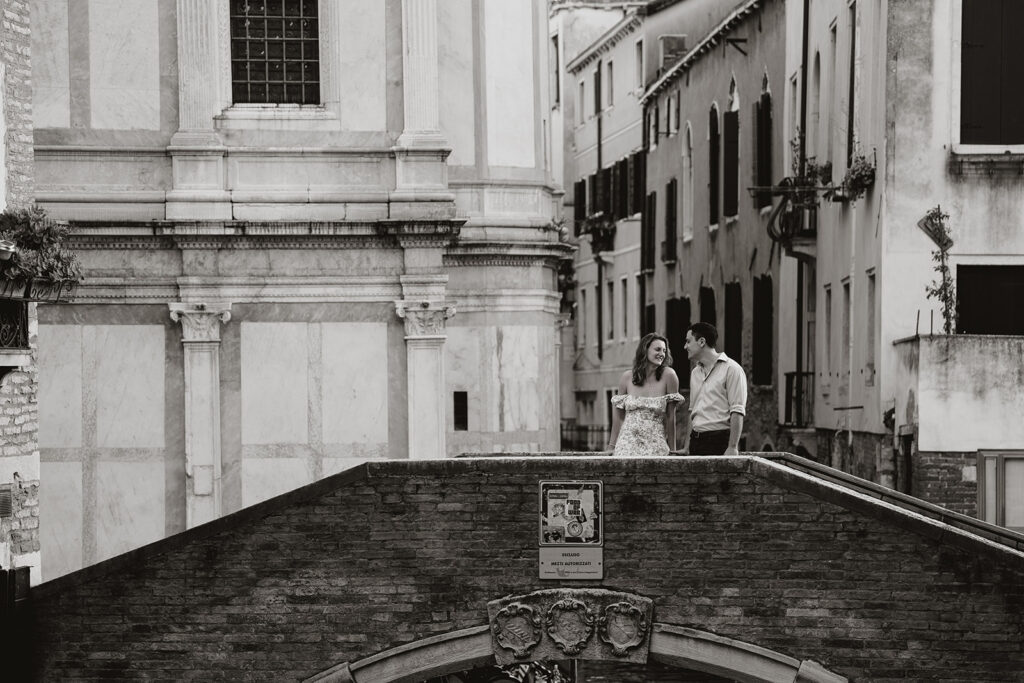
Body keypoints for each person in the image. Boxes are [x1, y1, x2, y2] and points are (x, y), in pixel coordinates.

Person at [606, 333, 684, 456]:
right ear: (645, 350)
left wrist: (672, 450)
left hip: (656, 444)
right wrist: (611, 446)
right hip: (627, 445)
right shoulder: (627, 377)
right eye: (657, 349)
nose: (662, 354)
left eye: (664, 350)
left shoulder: (669, 375)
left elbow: (671, 417)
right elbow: (618, 418)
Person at [680, 322, 748, 455]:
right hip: (695, 441)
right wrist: (687, 447)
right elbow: (692, 411)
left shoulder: (732, 369)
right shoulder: (695, 373)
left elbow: (737, 410)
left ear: (701, 342)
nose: (685, 346)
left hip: (719, 441)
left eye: (688, 341)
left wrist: (733, 447)